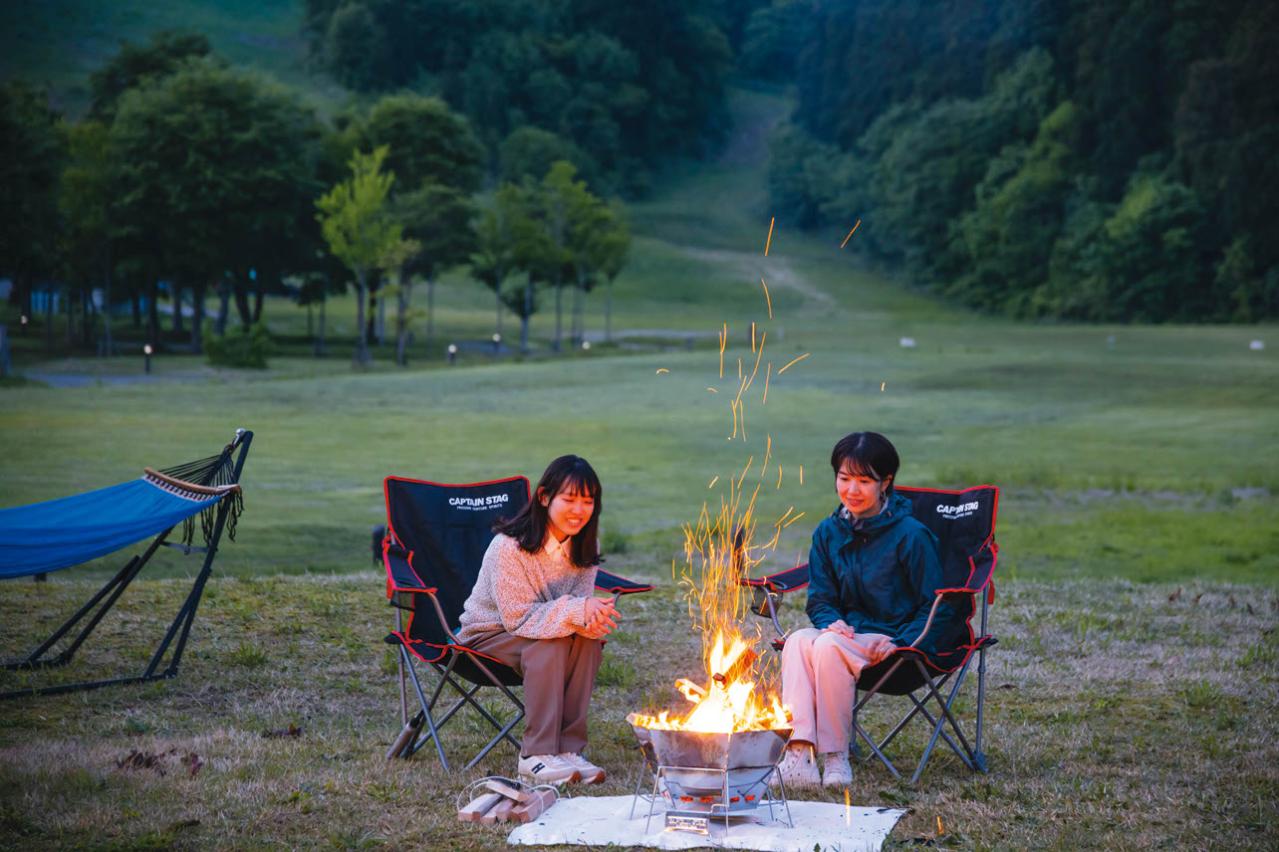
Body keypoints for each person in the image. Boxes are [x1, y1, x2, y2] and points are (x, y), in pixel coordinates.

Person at [777, 431, 948, 788]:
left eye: (864, 480)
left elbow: (936, 603)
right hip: (848, 636)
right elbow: (820, 597)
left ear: (885, 482)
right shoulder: (828, 532)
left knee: (826, 645)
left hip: (894, 642)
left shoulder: (910, 535)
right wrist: (830, 620)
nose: (852, 490)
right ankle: (798, 754)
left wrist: (903, 640)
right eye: (844, 478)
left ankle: (837, 758)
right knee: (797, 641)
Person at [455, 454, 620, 785]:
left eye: (587, 501)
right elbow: (517, 618)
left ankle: (568, 751)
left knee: (588, 641)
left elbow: (576, 606)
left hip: (539, 632)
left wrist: (592, 618)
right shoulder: (510, 547)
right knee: (551, 643)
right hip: (487, 635)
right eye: (569, 499)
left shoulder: (584, 546)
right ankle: (535, 755)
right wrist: (577, 611)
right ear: (544, 498)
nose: (578, 510)